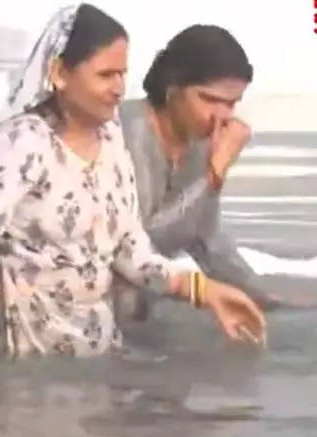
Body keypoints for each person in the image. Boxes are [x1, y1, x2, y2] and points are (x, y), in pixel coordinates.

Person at [0, 4, 265, 358]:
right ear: (60, 73)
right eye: (106, 75)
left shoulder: (110, 140)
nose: (119, 88)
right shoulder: (22, 141)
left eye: (122, 74)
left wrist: (212, 292)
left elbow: (134, 250)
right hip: (24, 358)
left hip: (97, 351)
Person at [115, 24, 292, 319]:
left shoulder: (200, 141)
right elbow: (141, 245)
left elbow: (206, 236)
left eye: (232, 103)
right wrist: (212, 175)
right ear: (172, 90)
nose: (222, 116)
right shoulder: (127, 133)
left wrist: (262, 299)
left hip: (140, 301)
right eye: (209, 99)